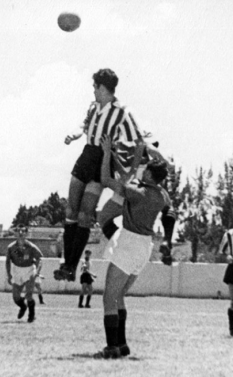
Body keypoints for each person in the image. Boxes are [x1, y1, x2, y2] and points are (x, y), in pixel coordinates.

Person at [54, 68, 144, 282]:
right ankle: (66, 263)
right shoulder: (93, 106)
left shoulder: (121, 112)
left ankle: (71, 267)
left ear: (103, 87)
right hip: (86, 155)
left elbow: (139, 141)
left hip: (101, 161)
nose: (93, 90)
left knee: (85, 215)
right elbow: (83, 126)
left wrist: (131, 172)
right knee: (71, 210)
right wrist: (74, 135)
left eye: (95, 86)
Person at [93, 134, 171, 359]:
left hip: (129, 242)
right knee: (119, 296)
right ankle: (123, 345)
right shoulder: (162, 195)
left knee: (109, 297)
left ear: (147, 173)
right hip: (145, 247)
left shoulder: (138, 192)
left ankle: (112, 347)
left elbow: (107, 180)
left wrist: (108, 154)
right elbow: (129, 181)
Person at [5, 225, 43, 323]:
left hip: (29, 270)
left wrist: (37, 272)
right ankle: (23, 306)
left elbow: (40, 258)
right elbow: (7, 261)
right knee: (16, 297)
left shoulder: (31, 247)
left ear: (26, 234)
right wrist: (9, 274)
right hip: (16, 270)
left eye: (23, 232)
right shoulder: (11, 247)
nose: (21, 234)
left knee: (29, 295)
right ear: (15, 234)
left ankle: (31, 316)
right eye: (18, 231)